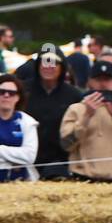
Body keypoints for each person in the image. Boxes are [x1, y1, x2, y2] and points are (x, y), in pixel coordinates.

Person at [59, 60, 112, 181]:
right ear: (90, 82)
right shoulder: (75, 109)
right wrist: (86, 116)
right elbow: (66, 145)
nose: (103, 84)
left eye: (107, 79)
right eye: (98, 79)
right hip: (82, 181)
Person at [22, 47, 81, 179]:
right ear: (37, 65)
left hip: (60, 163)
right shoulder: (23, 90)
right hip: (25, 160)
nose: (48, 66)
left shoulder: (74, 95)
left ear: (62, 67)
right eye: (44, 61)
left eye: (54, 62)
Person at [0, 73, 39, 181]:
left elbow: (29, 156)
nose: (6, 95)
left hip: (21, 183)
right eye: (1, 92)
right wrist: (14, 159)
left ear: (17, 97)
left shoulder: (27, 122)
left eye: (11, 93)